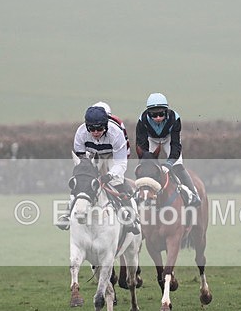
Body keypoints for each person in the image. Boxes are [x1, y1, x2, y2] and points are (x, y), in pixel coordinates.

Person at [56, 105, 139, 234]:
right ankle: (67, 215)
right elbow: (81, 160)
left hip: (112, 155)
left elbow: (121, 163)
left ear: (106, 126)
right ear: (87, 127)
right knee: (82, 181)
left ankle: (131, 218)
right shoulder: (81, 133)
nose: (95, 132)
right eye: (91, 129)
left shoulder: (116, 133)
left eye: (99, 129)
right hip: (91, 155)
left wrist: (110, 175)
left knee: (116, 181)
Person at [135, 92, 201, 207]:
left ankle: (193, 194)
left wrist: (169, 164)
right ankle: (137, 195)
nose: (158, 118)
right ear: (148, 114)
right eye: (154, 115)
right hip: (152, 140)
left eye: (161, 114)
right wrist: (147, 160)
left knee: (177, 166)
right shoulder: (142, 120)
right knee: (146, 166)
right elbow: (142, 144)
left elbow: (176, 145)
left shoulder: (175, 118)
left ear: (166, 111)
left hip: (168, 139)